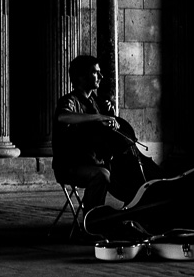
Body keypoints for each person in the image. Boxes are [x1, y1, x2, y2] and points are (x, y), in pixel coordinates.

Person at [53, 54, 153, 209]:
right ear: (81, 77)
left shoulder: (96, 102)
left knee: (125, 175)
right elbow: (63, 117)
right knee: (102, 176)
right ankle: (92, 222)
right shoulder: (69, 100)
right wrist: (98, 117)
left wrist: (110, 115)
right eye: (95, 72)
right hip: (70, 165)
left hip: (94, 161)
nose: (101, 76)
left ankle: (132, 213)